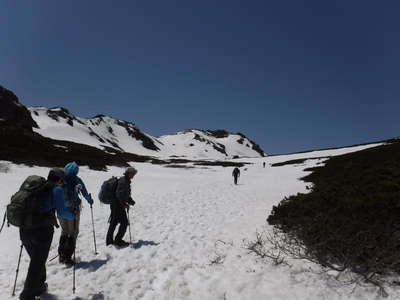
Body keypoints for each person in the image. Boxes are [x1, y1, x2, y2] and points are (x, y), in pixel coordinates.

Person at [19, 168, 65, 300]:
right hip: (42, 231)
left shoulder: (36, 188)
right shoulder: (57, 190)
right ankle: (27, 295)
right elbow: (63, 213)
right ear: (59, 180)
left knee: (37, 260)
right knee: (37, 263)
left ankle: (39, 286)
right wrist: (72, 213)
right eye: (62, 180)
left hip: (24, 228)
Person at [56, 162, 93, 265]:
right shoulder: (77, 180)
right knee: (73, 232)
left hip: (60, 211)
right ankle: (68, 257)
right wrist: (89, 200)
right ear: (76, 171)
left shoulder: (60, 179)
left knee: (64, 231)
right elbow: (84, 193)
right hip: (73, 211)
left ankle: (61, 255)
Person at [106, 167, 137, 247]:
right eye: (133, 173)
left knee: (114, 222)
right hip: (117, 205)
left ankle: (110, 241)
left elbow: (125, 194)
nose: (133, 175)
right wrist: (124, 204)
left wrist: (130, 201)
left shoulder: (125, 181)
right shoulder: (123, 181)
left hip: (117, 205)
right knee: (123, 223)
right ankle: (117, 241)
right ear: (128, 173)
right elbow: (119, 195)